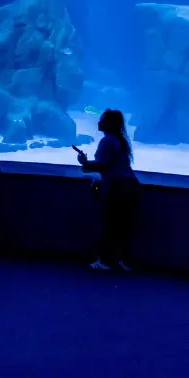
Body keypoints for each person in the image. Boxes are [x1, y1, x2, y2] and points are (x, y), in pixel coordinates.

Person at [76, 108, 141, 272]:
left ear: (110, 123)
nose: (99, 122)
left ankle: (105, 261)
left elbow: (102, 165)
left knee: (110, 225)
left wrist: (83, 161)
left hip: (117, 187)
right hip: (129, 186)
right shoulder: (120, 140)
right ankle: (125, 261)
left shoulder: (107, 141)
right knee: (123, 226)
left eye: (102, 120)